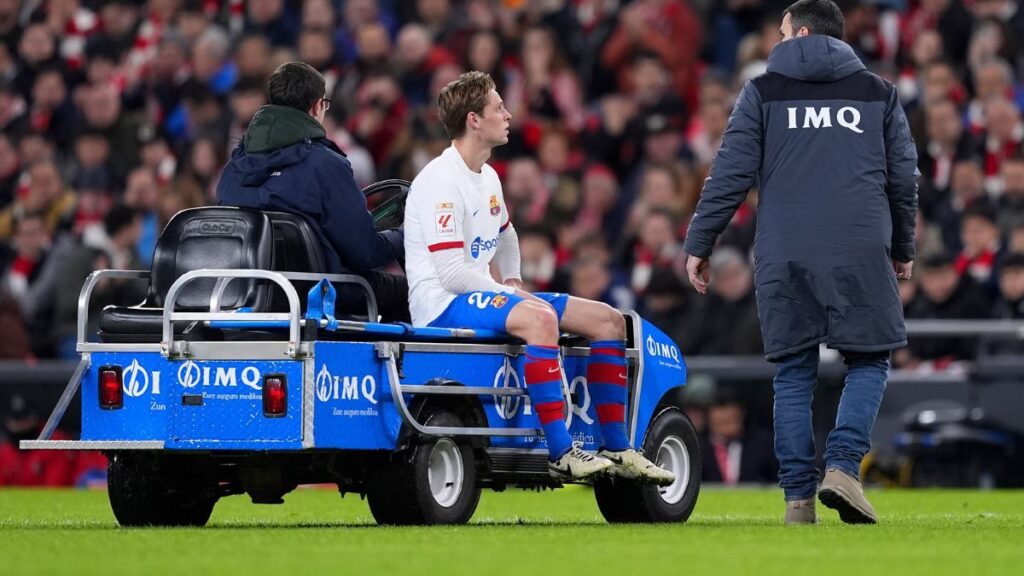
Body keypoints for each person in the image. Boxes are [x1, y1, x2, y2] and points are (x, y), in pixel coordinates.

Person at [683, 0, 919, 524]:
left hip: (784, 250)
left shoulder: (763, 92)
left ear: (804, 32)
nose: (776, 42)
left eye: (782, 32)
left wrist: (700, 242)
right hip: (859, 246)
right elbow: (904, 179)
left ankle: (797, 501)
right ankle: (842, 466)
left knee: (793, 371)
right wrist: (903, 246)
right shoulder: (877, 93)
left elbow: (730, 172)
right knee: (869, 359)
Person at [405, 71, 673, 484]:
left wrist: (512, 280)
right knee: (539, 317)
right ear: (474, 120)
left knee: (607, 321)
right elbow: (452, 274)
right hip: (442, 304)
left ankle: (618, 449)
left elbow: (507, 232)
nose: (509, 114)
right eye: (499, 107)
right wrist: (511, 296)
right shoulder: (440, 182)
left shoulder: (487, 175)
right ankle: (562, 453)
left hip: (479, 296)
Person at [217, 62, 408, 322]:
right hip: (325, 290)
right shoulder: (326, 165)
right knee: (412, 294)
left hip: (250, 293)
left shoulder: (234, 168)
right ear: (318, 106)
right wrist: (403, 235)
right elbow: (366, 253)